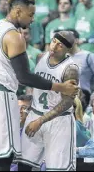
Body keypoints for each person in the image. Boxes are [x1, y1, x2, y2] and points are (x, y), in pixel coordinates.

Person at [0, 0, 78, 171]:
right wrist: (60, 86)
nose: (32, 19)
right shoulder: (14, 36)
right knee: (4, 157)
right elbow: (24, 77)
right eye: (30, 14)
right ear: (17, 11)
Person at [17, 30, 79, 171]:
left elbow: (68, 102)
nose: (53, 47)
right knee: (24, 165)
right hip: (35, 114)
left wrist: (40, 121)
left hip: (58, 121)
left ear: (68, 49)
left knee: (57, 169)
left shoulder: (71, 69)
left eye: (60, 46)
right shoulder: (40, 57)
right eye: (53, 42)